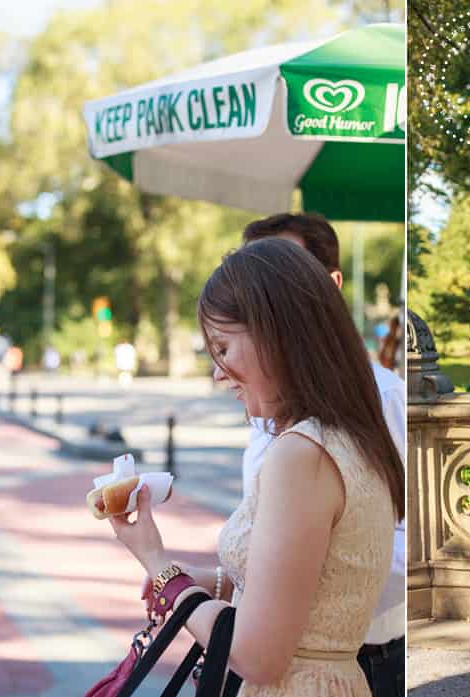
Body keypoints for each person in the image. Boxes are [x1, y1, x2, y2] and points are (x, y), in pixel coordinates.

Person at [109, 238, 405, 696]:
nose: (217, 372)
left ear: (278, 336)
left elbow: (256, 656)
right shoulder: (354, 436)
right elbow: (320, 584)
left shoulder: (301, 454)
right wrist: (208, 581)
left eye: (223, 348)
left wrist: (161, 565)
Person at [242, 213, 406, 697]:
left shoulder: (384, 395)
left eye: (282, 278)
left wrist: (314, 589)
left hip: (361, 659)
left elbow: (400, 531)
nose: (266, 302)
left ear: (331, 284)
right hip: (270, 650)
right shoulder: (263, 399)